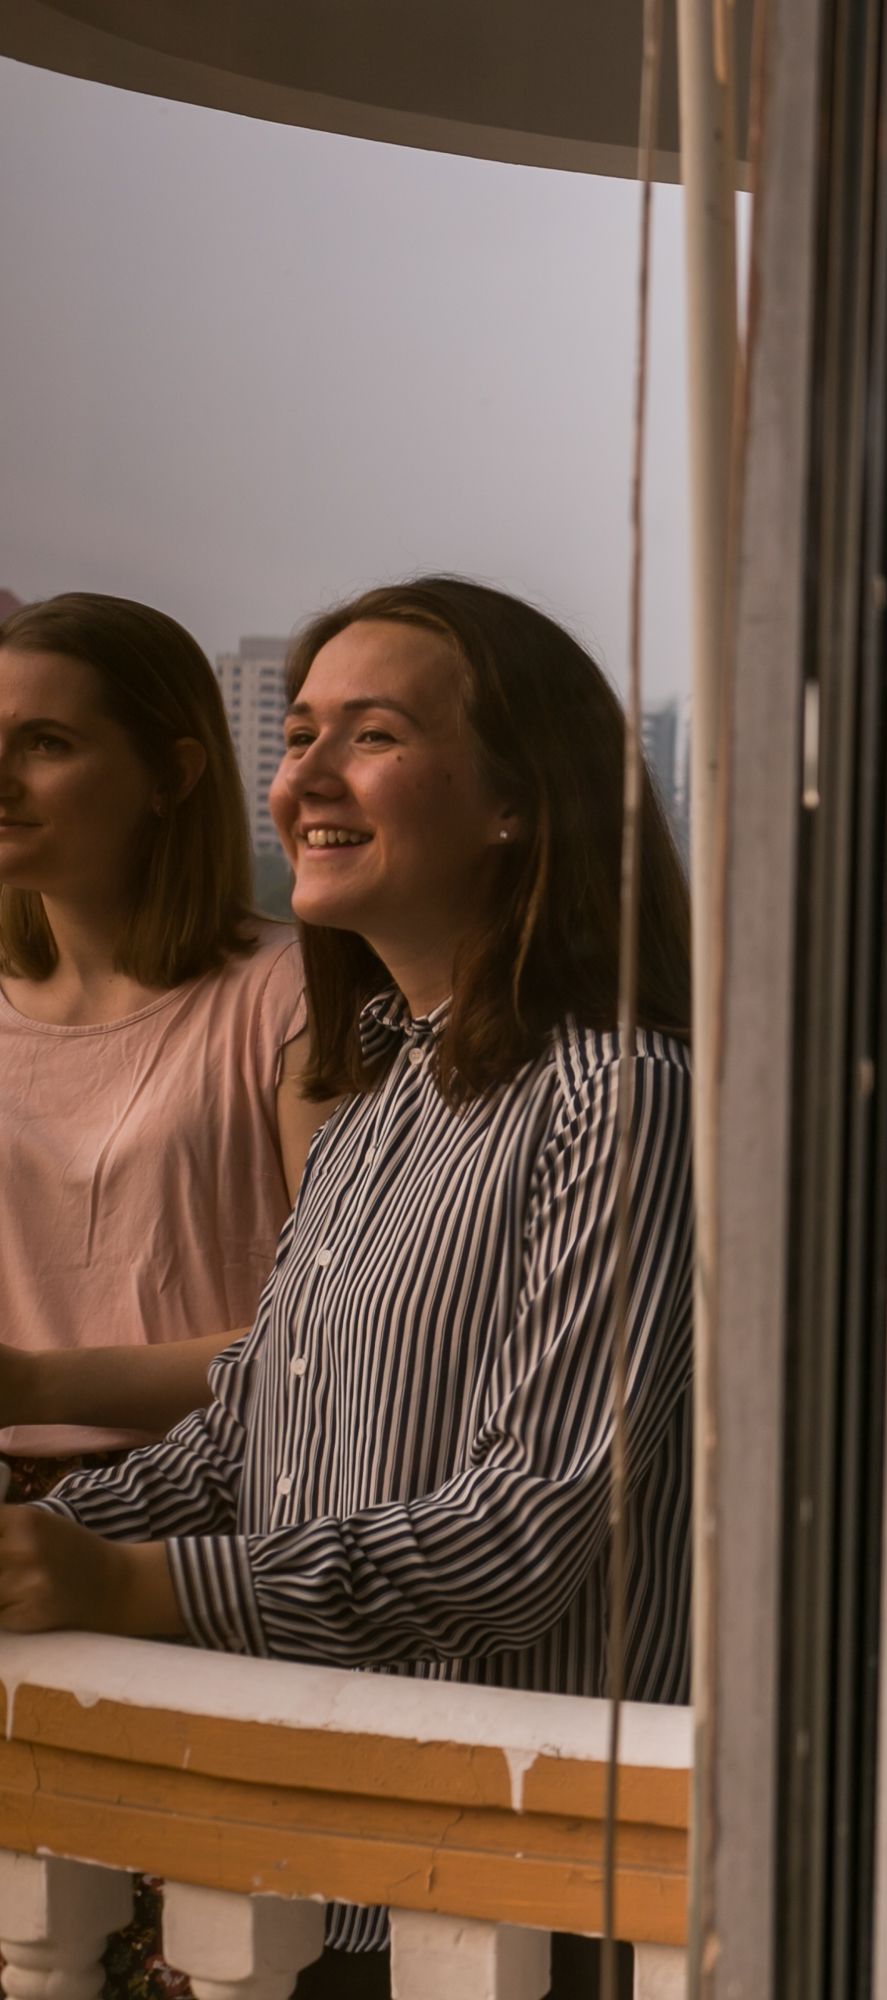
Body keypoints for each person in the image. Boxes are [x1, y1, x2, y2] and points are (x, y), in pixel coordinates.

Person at [0, 578, 695, 1992]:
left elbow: (531, 1526)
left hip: (514, 1894)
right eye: (300, 732)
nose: (305, 775)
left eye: (368, 735)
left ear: (520, 801)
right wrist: (46, 1535)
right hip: (336, 1863)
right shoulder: (383, 1097)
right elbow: (244, 1439)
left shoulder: (623, 1097)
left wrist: (133, 1584)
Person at [0, 593, 339, 1499]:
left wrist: (32, 1384)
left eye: (46, 743)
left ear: (174, 774)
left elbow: (341, 1336)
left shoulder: (290, 992)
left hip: (211, 1512)